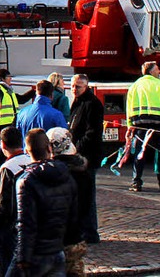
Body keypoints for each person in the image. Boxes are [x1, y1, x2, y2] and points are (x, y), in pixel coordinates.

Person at [6, 128, 78, 277]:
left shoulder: (26, 181)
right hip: (57, 249)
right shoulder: (66, 175)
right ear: (49, 148)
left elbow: (26, 223)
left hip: (36, 252)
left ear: (27, 150)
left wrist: (22, 257)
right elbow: (73, 217)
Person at [47, 127, 92, 277]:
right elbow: (86, 205)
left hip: (54, 236)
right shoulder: (83, 171)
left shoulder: (52, 173)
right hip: (76, 234)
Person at [126, 60, 160, 193]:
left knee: (139, 154)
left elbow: (129, 108)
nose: (159, 71)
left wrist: (129, 125)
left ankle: (136, 182)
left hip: (141, 126)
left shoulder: (134, 86)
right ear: (151, 71)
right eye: (157, 69)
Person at [68, 74, 104, 244]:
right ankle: (82, 230)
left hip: (87, 156)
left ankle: (90, 232)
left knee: (87, 196)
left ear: (86, 86)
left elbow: (92, 132)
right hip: (76, 154)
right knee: (80, 196)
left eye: (78, 86)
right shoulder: (77, 102)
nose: (75, 89)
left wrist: (77, 148)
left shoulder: (92, 104)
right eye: (73, 86)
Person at [0, 126, 32, 277]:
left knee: (7, 260)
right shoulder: (30, 160)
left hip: (12, 220)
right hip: (31, 216)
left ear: (3, 145)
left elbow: (3, 201)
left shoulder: (7, 167)